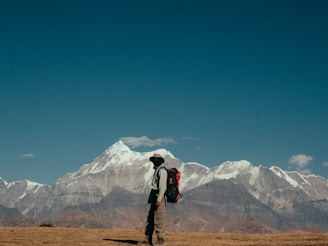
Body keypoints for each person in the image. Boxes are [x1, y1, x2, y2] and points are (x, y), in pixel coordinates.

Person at [142, 153, 167, 245]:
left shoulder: (162, 171)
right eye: (153, 160)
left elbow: (163, 187)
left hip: (159, 198)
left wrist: (159, 199)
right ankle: (147, 238)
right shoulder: (157, 170)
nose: (153, 162)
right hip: (155, 198)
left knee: (159, 218)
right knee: (151, 219)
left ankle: (160, 239)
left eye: (155, 160)